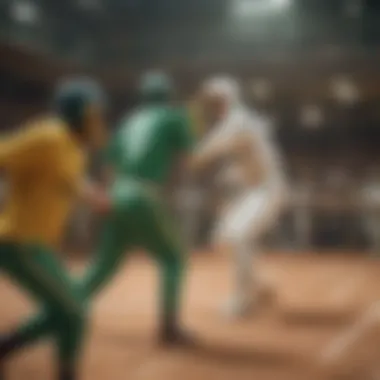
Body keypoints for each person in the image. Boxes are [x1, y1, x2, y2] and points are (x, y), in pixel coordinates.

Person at [0, 78, 109, 380]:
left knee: (69, 309)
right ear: (77, 112)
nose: (99, 120)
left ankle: (6, 346)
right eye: (94, 113)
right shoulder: (48, 135)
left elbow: (72, 181)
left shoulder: (74, 149)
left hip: (37, 245)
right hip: (17, 241)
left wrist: (95, 197)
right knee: (74, 311)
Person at [78, 71, 195, 345]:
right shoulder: (174, 116)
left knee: (103, 267)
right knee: (173, 258)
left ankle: (60, 308)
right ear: (169, 95)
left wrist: (108, 200)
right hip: (143, 194)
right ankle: (169, 328)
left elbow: (108, 167)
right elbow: (189, 160)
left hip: (116, 193)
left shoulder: (129, 121)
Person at [191, 76, 287, 319]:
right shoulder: (234, 122)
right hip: (253, 192)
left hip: (267, 189)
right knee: (223, 238)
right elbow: (234, 163)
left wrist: (187, 143)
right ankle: (258, 286)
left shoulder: (239, 121)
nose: (212, 105)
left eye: (216, 100)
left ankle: (243, 301)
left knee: (237, 235)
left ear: (228, 99)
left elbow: (206, 151)